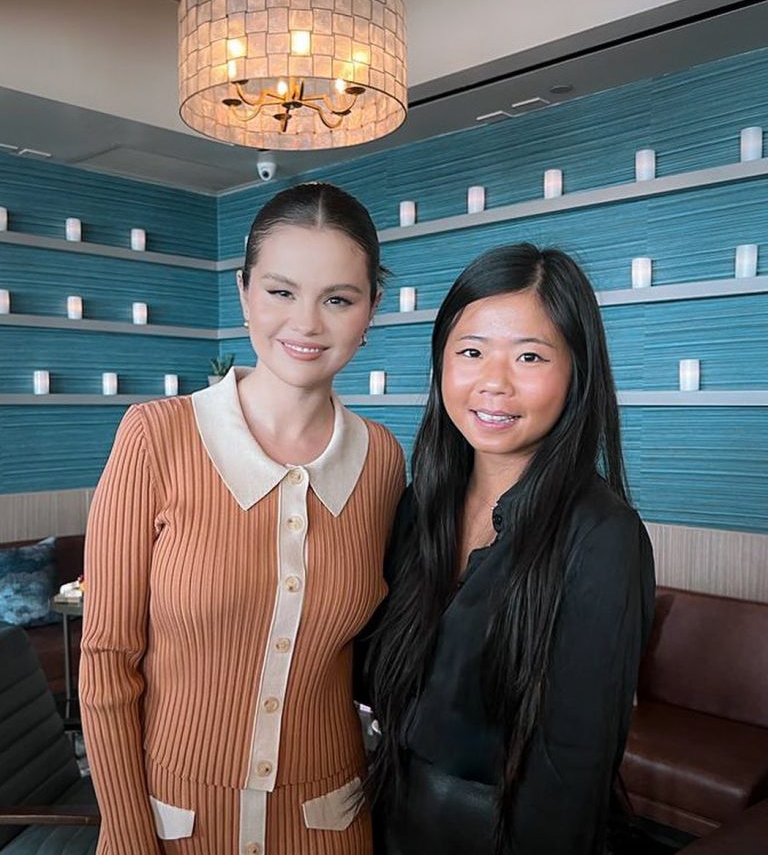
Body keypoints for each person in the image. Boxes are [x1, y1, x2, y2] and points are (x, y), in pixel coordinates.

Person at [80, 183, 405, 855]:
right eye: (281, 291)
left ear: (371, 308)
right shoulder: (156, 437)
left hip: (331, 822)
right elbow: (108, 663)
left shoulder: (380, 460)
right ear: (245, 292)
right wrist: (129, 836)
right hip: (174, 822)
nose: (306, 324)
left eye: (338, 299)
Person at [364, 243, 655, 855]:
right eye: (471, 352)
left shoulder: (602, 536)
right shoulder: (418, 506)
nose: (494, 383)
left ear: (576, 372)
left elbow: (572, 776)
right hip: (385, 825)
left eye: (530, 356)